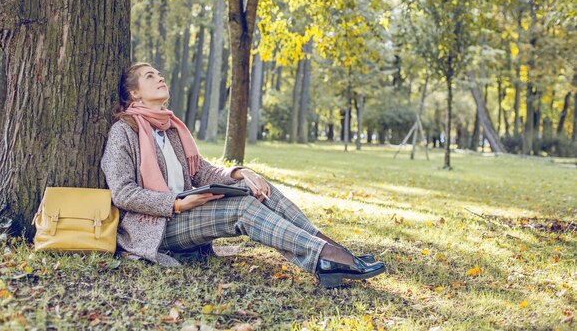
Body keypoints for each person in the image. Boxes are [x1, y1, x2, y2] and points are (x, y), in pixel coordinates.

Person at [101, 63, 385, 288]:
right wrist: (175, 203)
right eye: (150, 76)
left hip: (186, 212)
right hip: (156, 229)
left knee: (258, 188)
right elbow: (123, 192)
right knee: (241, 208)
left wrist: (241, 172)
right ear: (134, 93)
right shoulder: (124, 132)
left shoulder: (172, 128)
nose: (160, 78)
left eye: (160, 74)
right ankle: (327, 257)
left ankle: (334, 250)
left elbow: (200, 170)